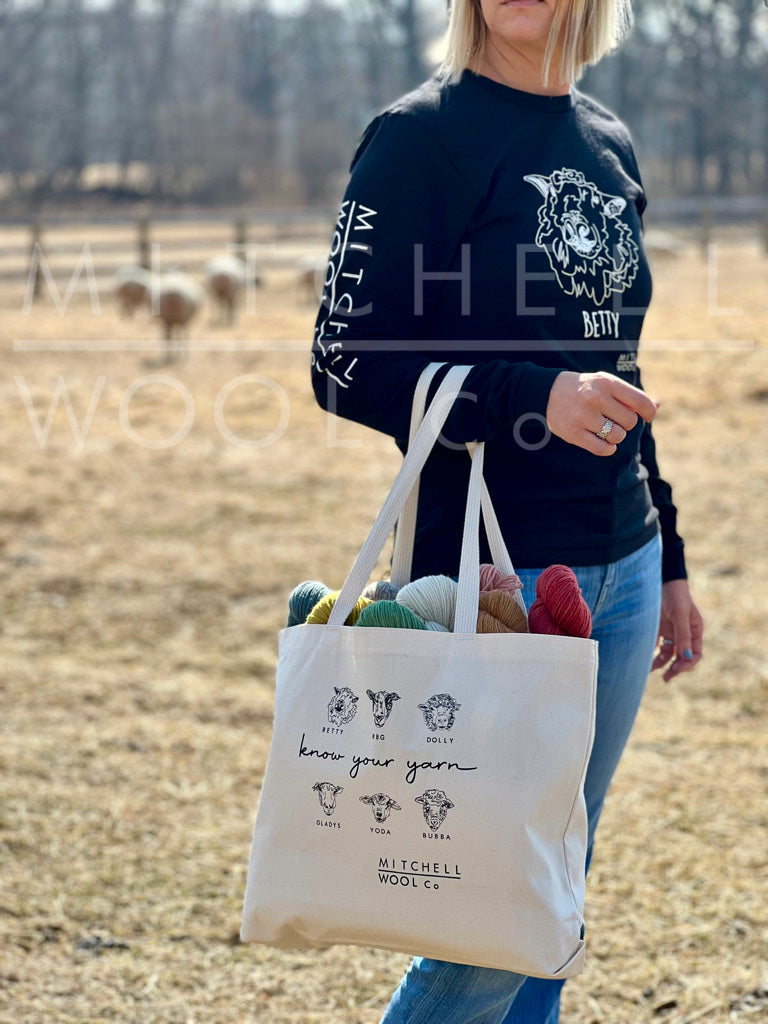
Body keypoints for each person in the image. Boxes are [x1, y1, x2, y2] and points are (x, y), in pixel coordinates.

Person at [310, 1, 704, 1021]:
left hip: (617, 566)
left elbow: (618, 368)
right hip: (493, 576)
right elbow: (341, 362)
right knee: (489, 920)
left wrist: (669, 556)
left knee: (550, 898)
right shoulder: (419, 138)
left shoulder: (607, 141)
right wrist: (531, 393)